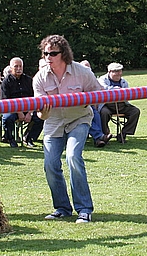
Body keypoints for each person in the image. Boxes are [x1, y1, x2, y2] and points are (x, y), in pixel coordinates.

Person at [33, 35, 102, 223]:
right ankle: (62, 208)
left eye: (53, 53)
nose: (48, 57)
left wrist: (87, 100)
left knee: (73, 156)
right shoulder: (39, 78)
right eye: (45, 53)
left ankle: (84, 209)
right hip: (53, 123)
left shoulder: (82, 72)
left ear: (63, 54)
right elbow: (41, 115)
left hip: (79, 119)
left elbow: (98, 93)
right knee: (50, 165)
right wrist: (43, 112)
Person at [1, 57, 43, 148]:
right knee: (8, 118)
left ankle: (28, 137)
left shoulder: (29, 80)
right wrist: (19, 112)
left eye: (20, 66)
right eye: (16, 66)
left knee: (40, 117)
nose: (19, 68)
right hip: (12, 109)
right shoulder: (6, 82)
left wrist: (30, 113)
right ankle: (10, 139)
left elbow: (34, 98)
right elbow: (6, 101)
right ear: (11, 68)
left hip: (28, 109)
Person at [98, 62, 141, 144]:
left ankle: (123, 134)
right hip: (107, 105)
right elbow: (105, 90)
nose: (119, 73)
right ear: (109, 72)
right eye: (116, 71)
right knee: (104, 113)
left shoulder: (124, 82)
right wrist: (117, 89)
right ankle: (105, 135)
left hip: (122, 104)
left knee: (135, 111)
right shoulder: (102, 80)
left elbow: (128, 94)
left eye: (120, 71)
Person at [80, 60, 112, 148]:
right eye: (85, 68)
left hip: (90, 105)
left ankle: (98, 139)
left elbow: (100, 89)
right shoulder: (76, 78)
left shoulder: (91, 78)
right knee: (87, 116)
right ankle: (99, 137)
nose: (87, 70)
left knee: (96, 115)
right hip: (78, 106)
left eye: (88, 68)